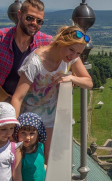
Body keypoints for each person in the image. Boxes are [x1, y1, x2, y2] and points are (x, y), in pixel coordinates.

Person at [11, 25, 93, 164]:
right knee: (29, 161)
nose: (73, 56)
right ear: (61, 40)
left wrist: (71, 77)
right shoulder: (35, 62)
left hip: (50, 118)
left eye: (78, 53)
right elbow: (17, 97)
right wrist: (14, 129)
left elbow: (89, 82)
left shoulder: (70, 58)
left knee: (48, 159)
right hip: (30, 119)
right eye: (71, 49)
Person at [0, 0, 52, 99]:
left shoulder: (45, 42)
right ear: (19, 15)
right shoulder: (2, 38)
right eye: (29, 18)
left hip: (29, 102)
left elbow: (68, 51)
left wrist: (72, 75)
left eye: (39, 21)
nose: (34, 23)